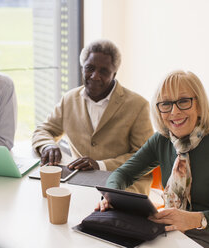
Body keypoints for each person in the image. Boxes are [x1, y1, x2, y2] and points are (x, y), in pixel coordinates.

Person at [96, 70, 209, 248]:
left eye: (184, 101)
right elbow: (122, 174)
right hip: (173, 229)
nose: (174, 112)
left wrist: (194, 219)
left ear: (199, 105)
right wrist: (112, 197)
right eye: (166, 104)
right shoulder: (162, 139)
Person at [32, 39, 154, 194]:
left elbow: (145, 157)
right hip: (79, 184)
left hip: (124, 186)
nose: (95, 76)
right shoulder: (69, 99)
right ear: (83, 67)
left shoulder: (138, 105)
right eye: (90, 68)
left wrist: (100, 165)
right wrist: (47, 145)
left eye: (104, 71)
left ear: (114, 73)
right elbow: (43, 130)